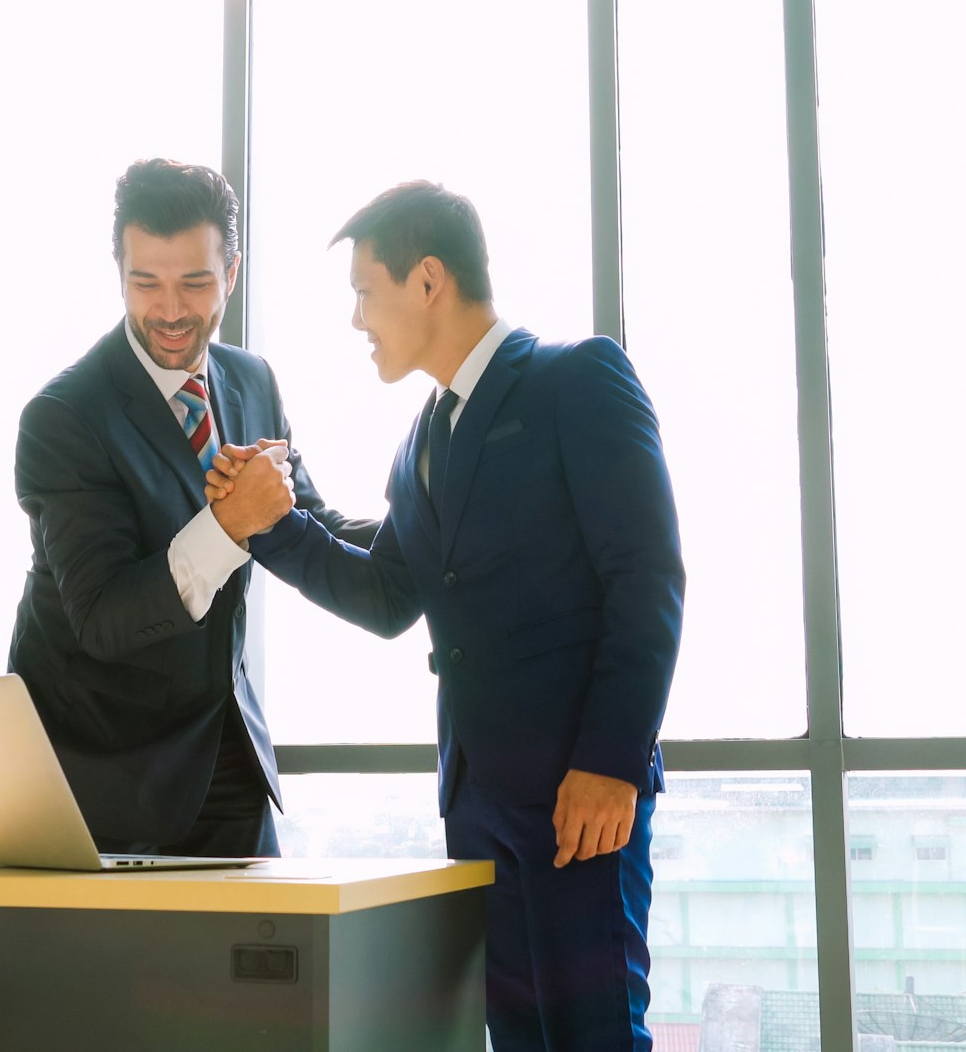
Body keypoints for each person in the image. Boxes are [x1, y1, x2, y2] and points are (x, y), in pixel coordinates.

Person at [208, 181, 683, 1049]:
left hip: (583, 797)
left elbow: (647, 576)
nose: (357, 319)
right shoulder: (418, 443)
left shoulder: (576, 377)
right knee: (519, 1037)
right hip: (479, 805)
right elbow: (390, 597)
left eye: (364, 291)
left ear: (427, 280)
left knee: (597, 1035)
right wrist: (269, 528)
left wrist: (611, 763)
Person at [0, 158, 376, 859]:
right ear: (118, 272)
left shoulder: (251, 382)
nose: (168, 309)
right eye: (145, 282)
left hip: (224, 756)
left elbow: (304, 523)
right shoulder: (66, 416)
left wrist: (440, 530)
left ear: (232, 272)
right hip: (98, 780)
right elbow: (101, 616)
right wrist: (225, 526)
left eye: (194, 282)